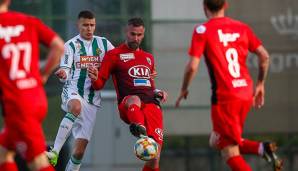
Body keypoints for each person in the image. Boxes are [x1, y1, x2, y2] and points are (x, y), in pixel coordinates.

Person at [175, 0, 283, 171]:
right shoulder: (242, 27)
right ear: (225, 5)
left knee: (229, 152)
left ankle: (260, 148)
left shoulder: (202, 30)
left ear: (204, 7)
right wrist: (260, 84)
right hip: (245, 92)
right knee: (217, 140)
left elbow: (192, 66)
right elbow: (265, 56)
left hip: (225, 97)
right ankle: (262, 148)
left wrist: (184, 88)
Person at [88, 17, 167, 171]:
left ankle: (143, 133)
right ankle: (138, 127)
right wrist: (94, 78)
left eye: (139, 35)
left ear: (143, 35)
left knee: (154, 158)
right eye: (132, 34)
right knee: (134, 99)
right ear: (126, 32)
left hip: (151, 105)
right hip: (128, 105)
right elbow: (99, 85)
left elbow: (150, 87)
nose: (135, 38)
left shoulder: (148, 58)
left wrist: (158, 92)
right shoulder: (114, 55)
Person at [0, 0, 65, 170]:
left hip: (17, 105)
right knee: (2, 152)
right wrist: (42, 74)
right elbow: (58, 47)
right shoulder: (28, 21)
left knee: (37, 162)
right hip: (36, 97)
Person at [46, 10, 114, 171]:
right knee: (76, 107)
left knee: (79, 152)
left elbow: (118, 59)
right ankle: (54, 151)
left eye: (92, 25)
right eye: (85, 25)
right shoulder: (70, 45)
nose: (89, 28)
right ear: (78, 25)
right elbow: (65, 68)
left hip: (92, 99)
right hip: (73, 91)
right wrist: (63, 74)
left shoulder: (104, 44)